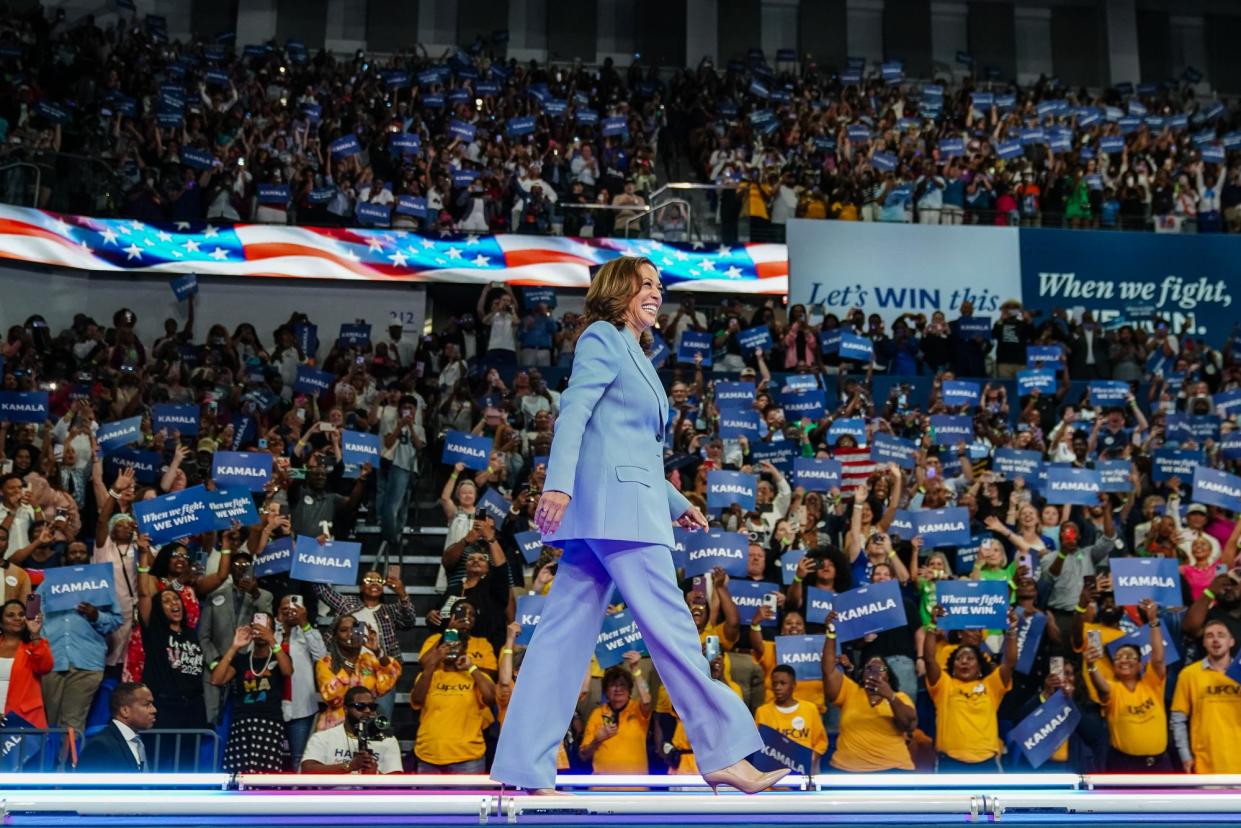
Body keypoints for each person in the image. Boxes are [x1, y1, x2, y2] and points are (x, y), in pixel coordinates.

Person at [491, 256, 785, 795]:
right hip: (619, 516)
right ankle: (722, 753)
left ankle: (523, 768)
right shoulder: (602, 337)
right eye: (644, 284)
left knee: (560, 641)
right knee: (674, 632)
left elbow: (633, 449)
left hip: (616, 510)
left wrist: (675, 500)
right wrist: (557, 484)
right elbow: (574, 412)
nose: (655, 292)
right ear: (617, 290)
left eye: (657, 285)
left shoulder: (639, 353)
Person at [38, 541, 123, 756]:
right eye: (73, 552)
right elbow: (31, 609)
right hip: (52, 660)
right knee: (51, 722)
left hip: (87, 661)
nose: (77, 555)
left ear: (88, 557)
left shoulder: (101, 584)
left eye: (82, 552)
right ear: (65, 557)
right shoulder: (49, 582)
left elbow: (116, 620)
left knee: (73, 722)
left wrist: (96, 615)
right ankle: (49, 773)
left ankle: (65, 777)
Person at [923, 604, 1019, 771]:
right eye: (960, 658)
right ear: (953, 667)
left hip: (987, 762)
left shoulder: (991, 685)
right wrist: (932, 626)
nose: (965, 661)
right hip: (950, 762)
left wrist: (1011, 631)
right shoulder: (945, 685)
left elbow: (1009, 663)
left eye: (970, 658)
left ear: (981, 667)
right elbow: (930, 660)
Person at [822, 615, 917, 772]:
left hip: (892, 771)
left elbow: (908, 725)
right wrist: (831, 632)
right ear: (862, 674)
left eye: (880, 669)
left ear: (888, 675)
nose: (874, 672)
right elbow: (828, 671)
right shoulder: (850, 691)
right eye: (869, 668)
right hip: (847, 771)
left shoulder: (900, 697)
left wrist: (890, 697)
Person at [1085, 599, 1171, 771]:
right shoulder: (1114, 688)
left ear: (1140, 665)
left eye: (1130, 656)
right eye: (1119, 657)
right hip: (1124, 765)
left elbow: (1158, 658)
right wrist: (1091, 666)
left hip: (1160, 765)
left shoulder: (1152, 683)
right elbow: (1101, 687)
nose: (1124, 660)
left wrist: (1153, 622)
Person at [210, 614, 293, 773]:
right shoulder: (241, 659)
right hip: (242, 723)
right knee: (237, 776)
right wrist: (235, 646)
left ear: (273, 631)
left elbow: (287, 671)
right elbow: (217, 680)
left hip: (270, 723)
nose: (261, 630)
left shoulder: (279, 656)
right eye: (257, 627)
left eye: (266, 628)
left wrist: (273, 641)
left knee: (267, 778)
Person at [410, 624, 498, 773]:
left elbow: (491, 698)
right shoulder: (429, 675)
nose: (452, 650)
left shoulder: (474, 676)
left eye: (457, 646)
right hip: (428, 757)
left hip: (467, 758)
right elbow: (417, 699)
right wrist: (433, 661)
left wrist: (472, 668)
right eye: (447, 646)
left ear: (464, 649)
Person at [1171, 619, 1241, 774]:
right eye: (1209, 636)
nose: (1215, 640)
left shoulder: (1240, 672)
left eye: (1221, 635)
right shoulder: (1189, 674)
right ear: (1203, 643)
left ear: (1231, 642)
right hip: (1206, 765)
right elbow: (1178, 719)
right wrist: (1185, 757)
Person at [300, 686, 403, 774]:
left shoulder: (388, 740)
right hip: (333, 796)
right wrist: (349, 766)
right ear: (345, 709)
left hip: (371, 796)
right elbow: (307, 769)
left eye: (372, 707)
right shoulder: (323, 738)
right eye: (360, 706)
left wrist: (376, 774)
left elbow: (398, 781)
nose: (367, 711)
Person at [579, 660, 652, 775]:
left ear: (629, 690)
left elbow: (647, 700)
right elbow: (583, 755)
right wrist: (597, 740)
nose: (618, 689)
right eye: (613, 685)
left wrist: (635, 670)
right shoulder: (597, 714)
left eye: (623, 685)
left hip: (635, 789)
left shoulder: (637, 709)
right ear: (606, 691)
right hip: (602, 789)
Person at [754, 665, 829, 771]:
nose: (778, 687)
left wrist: (809, 760)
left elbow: (820, 742)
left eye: (783, 683)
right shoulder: (762, 712)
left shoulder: (809, 709)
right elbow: (757, 745)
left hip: (803, 773)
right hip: (772, 775)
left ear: (793, 685)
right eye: (774, 683)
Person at [76, 681, 157, 772]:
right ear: (125, 710)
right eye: (147, 704)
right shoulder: (100, 746)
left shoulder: (138, 743)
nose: (154, 710)